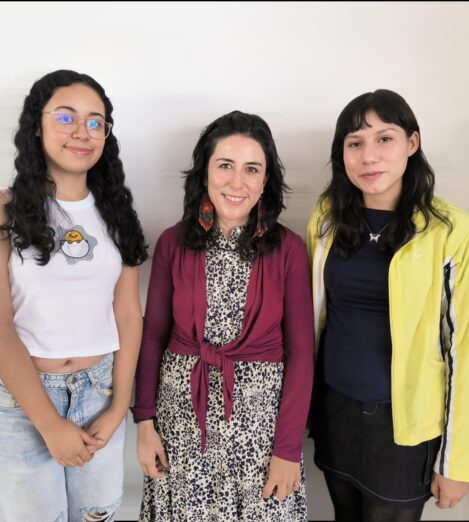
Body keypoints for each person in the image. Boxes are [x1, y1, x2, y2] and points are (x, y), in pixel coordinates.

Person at [0, 69, 147, 522]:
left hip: (100, 393)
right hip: (22, 401)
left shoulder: (118, 214)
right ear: (36, 125)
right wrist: (48, 423)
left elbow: (128, 315)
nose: (82, 132)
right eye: (66, 117)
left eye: (95, 122)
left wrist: (119, 406)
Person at [306, 89, 469, 521]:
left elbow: (466, 350)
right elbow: (312, 320)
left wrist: (456, 462)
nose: (369, 156)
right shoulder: (327, 218)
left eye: (384, 138)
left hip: (404, 428)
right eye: (355, 143)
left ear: (412, 143)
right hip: (335, 410)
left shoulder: (449, 230)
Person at [132, 110, 314, 521]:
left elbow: (301, 354)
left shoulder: (288, 249)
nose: (237, 182)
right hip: (181, 427)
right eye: (225, 165)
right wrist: (144, 422)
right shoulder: (173, 243)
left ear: (265, 181)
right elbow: (153, 335)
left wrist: (288, 450)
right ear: (205, 173)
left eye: (252, 169)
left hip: (260, 433)